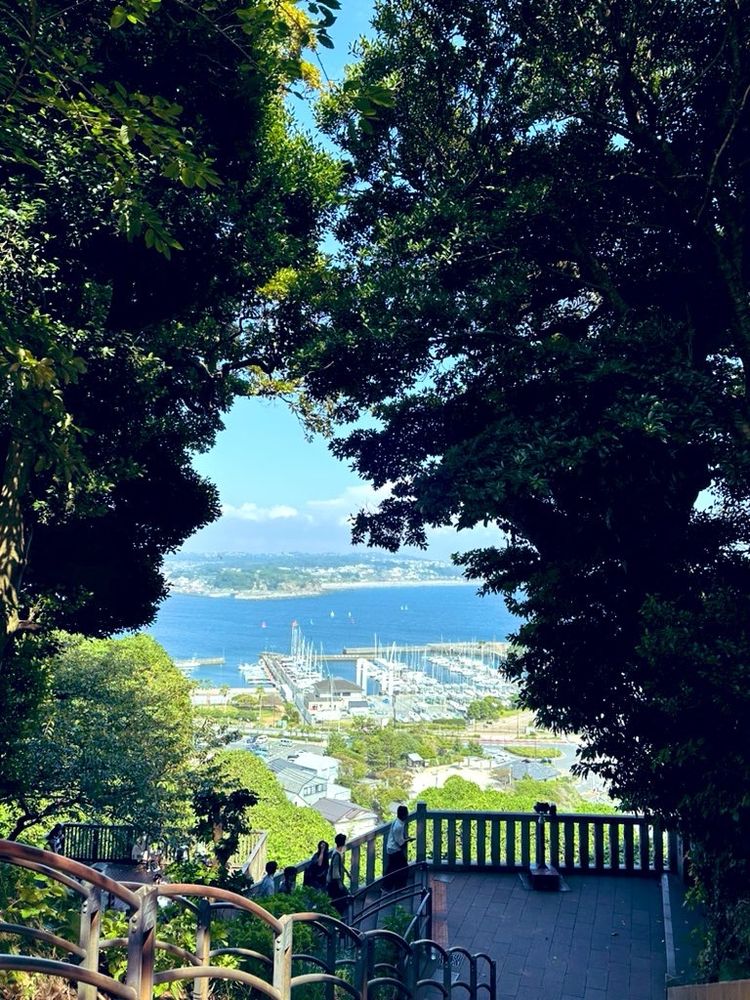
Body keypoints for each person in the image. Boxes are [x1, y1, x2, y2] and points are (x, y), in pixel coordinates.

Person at [384, 805, 413, 891]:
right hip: (395, 850)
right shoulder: (398, 826)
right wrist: (408, 840)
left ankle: (386, 887)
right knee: (404, 868)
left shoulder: (397, 821)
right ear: (404, 815)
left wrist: (405, 838)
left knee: (392, 869)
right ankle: (401, 888)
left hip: (391, 848)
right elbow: (400, 842)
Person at [326, 833, 350, 917]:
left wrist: (346, 872)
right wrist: (339, 883)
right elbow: (335, 870)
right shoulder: (337, 854)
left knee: (337, 898)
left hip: (333, 881)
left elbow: (340, 865)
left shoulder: (337, 852)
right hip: (335, 881)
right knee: (342, 898)